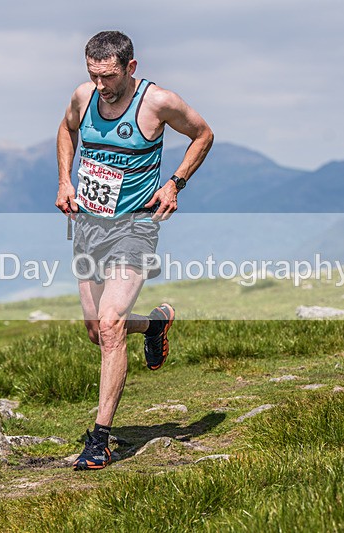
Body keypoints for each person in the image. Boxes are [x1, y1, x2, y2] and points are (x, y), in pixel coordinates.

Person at [55, 30, 213, 471]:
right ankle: (156, 326)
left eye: (109, 76)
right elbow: (66, 131)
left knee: (110, 325)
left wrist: (175, 183)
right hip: (87, 225)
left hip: (135, 228)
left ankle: (99, 439)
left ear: (131, 67)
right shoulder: (83, 97)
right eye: (93, 75)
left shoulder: (157, 103)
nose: (101, 86)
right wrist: (65, 181)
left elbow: (202, 134)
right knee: (97, 330)